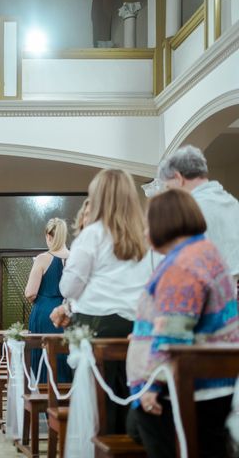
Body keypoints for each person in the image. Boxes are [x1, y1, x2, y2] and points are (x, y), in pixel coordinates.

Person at [127, 189, 239, 458]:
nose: (144, 232)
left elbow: (175, 332)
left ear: (165, 222)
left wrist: (152, 386)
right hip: (209, 385)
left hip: (186, 390)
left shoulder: (183, 265)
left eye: (147, 224)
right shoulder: (203, 252)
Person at [50, 168, 152, 433]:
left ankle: (100, 443)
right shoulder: (143, 236)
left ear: (99, 197)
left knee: (96, 400)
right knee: (126, 390)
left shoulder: (93, 234)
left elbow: (69, 286)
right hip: (134, 325)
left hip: (97, 325)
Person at [158, 144, 239, 279]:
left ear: (178, 178)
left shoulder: (190, 210)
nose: (169, 193)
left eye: (168, 187)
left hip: (213, 289)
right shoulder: (232, 202)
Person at [24, 218, 72, 383]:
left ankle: (44, 397)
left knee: (44, 354)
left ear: (48, 236)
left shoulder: (43, 258)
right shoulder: (75, 257)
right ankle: (66, 394)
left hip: (45, 312)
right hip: (68, 313)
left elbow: (30, 292)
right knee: (66, 353)